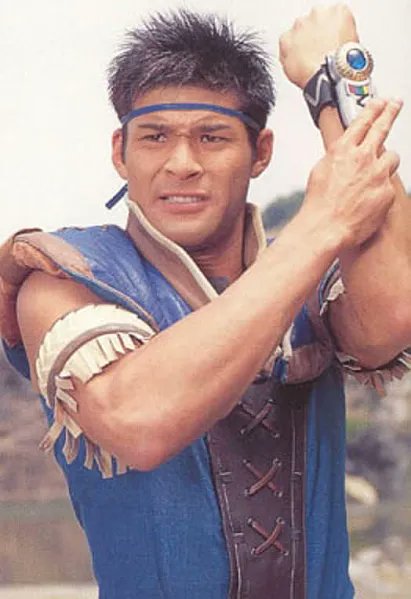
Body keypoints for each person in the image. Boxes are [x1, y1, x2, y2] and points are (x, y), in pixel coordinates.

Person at [0, 5, 410, 599]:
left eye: (212, 137)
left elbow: (393, 318)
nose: (181, 164)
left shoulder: (314, 269)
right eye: (155, 137)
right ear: (120, 151)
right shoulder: (65, 275)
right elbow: (138, 422)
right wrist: (318, 226)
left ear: (260, 152)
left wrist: (335, 86)